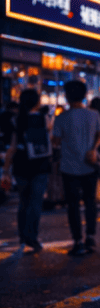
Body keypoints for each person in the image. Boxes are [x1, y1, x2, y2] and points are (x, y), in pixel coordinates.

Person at [51, 80, 100, 256]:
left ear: (67, 96)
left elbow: (56, 141)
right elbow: (99, 136)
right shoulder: (94, 115)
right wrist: (93, 150)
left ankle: (77, 240)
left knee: (72, 205)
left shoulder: (62, 117)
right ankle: (90, 237)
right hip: (89, 164)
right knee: (90, 203)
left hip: (69, 166)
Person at [1, 89, 52, 253]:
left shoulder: (17, 120)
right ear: (37, 102)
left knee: (24, 202)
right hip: (40, 163)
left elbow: (13, 147)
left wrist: (6, 170)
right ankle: (32, 236)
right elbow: (49, 136)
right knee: (36, 202)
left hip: (21, 164)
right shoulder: (44, 119)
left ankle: (23, 235)